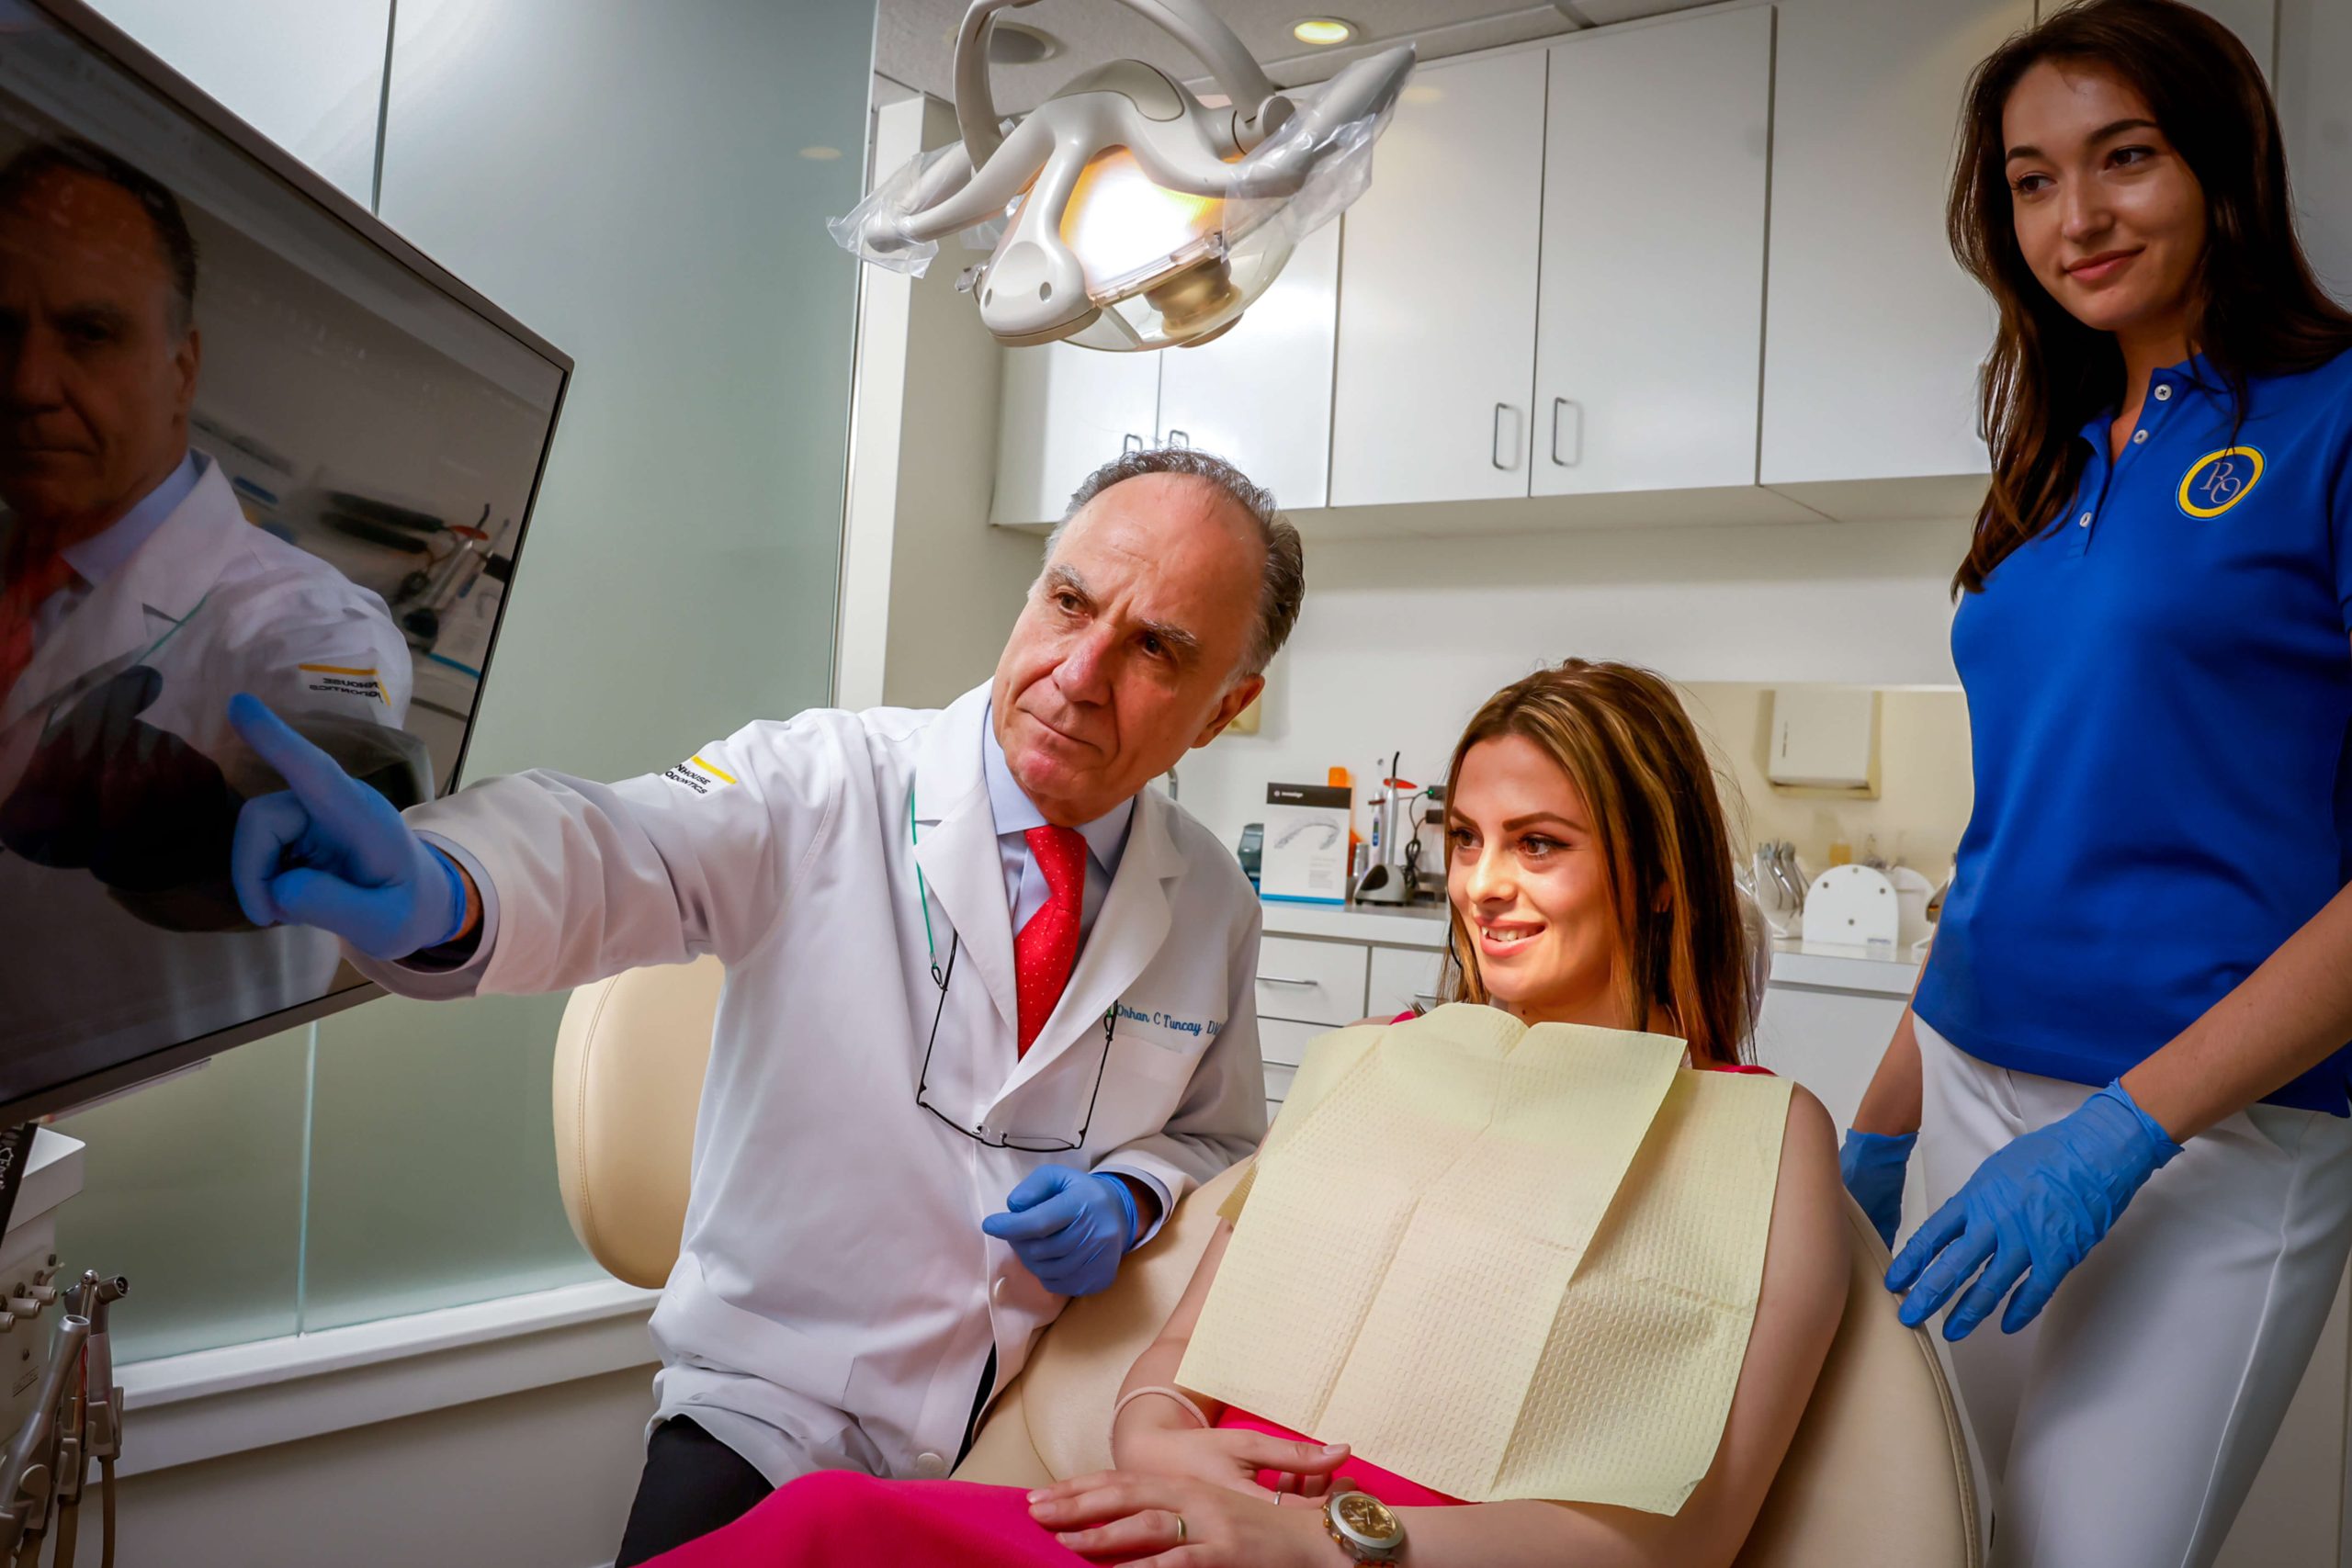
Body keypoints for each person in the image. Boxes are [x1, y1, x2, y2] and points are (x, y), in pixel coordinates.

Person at [226, 446, 1302, 1563]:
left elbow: (1219, 1140)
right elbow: (621, 844)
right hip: (771, 1415)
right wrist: (444, 882)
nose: (1079, 672)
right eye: (1070, 602)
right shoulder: (825, 779)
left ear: (1228, 705)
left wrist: (1130, 1196)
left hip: (1024, 1435)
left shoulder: (1211, 900)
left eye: (1155, 650)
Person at [640, 660, 1847, 1568]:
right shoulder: (1374, 1062)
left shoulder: (1759, 1131)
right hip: (1183, 1531)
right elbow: (1170, 1375)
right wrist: (1162, 1446)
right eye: (1466, 839)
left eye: (1541, 844)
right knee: (824, 1524)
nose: (1484, 883)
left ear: (1656, 877)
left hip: (1378, 1558)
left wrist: (1326, 1538)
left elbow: (1693, 1529)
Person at [1837, 4, 2352, 1562]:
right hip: (1972, 1101)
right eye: (2033, 179)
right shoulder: (2055, 456)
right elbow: (2017, 833)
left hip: (2214, 1136)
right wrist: (1880, 1121)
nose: (2080, 216)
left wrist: (2127, 1127)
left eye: (2124, 158)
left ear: (2222, 163)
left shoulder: (2334, 420)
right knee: (1938, 1530)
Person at [0, 137, 412, 1095]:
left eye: (89, 332)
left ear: (182, 370)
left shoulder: (301, 618)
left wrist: (200, 831)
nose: (26, 385)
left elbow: (350, 770)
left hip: (152, 1176)